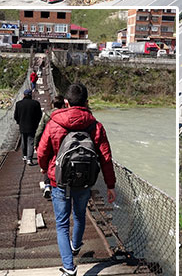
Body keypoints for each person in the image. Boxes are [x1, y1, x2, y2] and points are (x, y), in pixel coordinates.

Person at [38, 83, 116, 276]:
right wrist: (110, 185)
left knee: (62, 223)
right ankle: (76, 245)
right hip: (84, 181)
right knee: (80, 215)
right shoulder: (95, 126)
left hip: (59, 181)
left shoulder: (54, 123)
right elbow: (106, 157)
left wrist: (43, 167)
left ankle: (69, 267)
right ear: (87, 102)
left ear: (66, 102)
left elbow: (42, 152)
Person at [35, 95, 64, 199]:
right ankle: (61, 183)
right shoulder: (65, 114)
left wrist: (36, 143)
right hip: (61, 142)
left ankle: (47, 185)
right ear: (63, 104)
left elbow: (40, 130)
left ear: (52, 104)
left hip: (48, 141)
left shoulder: (47, 114)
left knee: (48, 163)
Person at [14, 89, 42, 166]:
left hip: (22, 126)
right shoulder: (35, 103)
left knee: (23, 141)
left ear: (24, 95)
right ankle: (29, 159)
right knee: (31, 142)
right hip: (32, 126)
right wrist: (36, 123)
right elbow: (39, 115)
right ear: (31, 95)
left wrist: (19, 122)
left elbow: (16, 116)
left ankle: (24, 156)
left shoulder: (18, 104)